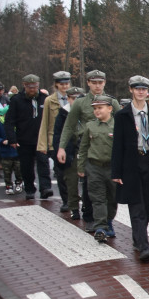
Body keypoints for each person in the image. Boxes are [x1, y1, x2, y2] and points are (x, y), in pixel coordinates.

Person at [112, 75, 149, 263]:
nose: (141, 92)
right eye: (137, 88)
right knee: (136, 206)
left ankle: (138, 238)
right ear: (131, 90)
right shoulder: (122, 116)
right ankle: (144, 246)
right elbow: (117, 145)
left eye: (144, 89)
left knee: (148, 206)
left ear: (147, 91)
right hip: (132, 164)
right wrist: (116, 172)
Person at [59, 70, 121, 226]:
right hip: (86, 146)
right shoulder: (80, 102)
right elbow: (69, 125)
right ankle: (90, 217)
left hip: (108, 146)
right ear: (88, 83)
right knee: (89, 184)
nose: (97, 86)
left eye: (100, 82)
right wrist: (61, 147)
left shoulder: (111, 102)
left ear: (105, 83)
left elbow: (122, 122)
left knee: (111, 190)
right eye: (94, 83)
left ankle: (106, 219)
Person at [77, 95, 119, 243]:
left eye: (100, 108)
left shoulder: (117, 126)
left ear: (110, 109)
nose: (97, 111)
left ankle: (109, 221)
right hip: (94, 167)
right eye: (95, 108)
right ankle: (100, 227)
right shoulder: (90, 126)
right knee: (97, 198)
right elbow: (83, 148)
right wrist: (81, 166)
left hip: (112, 168)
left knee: (112, 198)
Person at [5, 74, 53, 200]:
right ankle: (30, 189)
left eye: (35, 86)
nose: (32, 89)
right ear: (24, 85)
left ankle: (45, 188)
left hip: (41, 139)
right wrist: (12, 139)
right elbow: (9, 121)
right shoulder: (16, 100)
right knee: (26, 167)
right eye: (29, 87)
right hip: (24, 139)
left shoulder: (44, 99)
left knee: (43, 163)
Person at [37, 71, 73, 211]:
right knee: (60, 172)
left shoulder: (76, 98)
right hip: (55, 140)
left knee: (73, 173)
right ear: (56, 84)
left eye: (67, 83)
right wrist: (42, 144)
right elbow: (45, 122)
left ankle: (74, 199)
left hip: (72, 140)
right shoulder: (49, 100)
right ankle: (66, 200)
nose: (64, 86)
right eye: (61, 84)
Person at [51, 86, 84, 218]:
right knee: (71, 180)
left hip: (86, 149)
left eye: (78, 98)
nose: (75, 101)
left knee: (89, 181)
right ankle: (74, 207)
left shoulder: (89, 112)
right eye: (73, 98)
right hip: (71, 150)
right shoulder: (63, 113)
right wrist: (60, 149)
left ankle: (87, 206)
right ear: (68, 99)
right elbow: (57, 134)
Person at [0, 107, 21, 194]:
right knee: (7, 172)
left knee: (19, 170)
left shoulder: (18, 124)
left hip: (17, 152)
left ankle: (19, 183)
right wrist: (2, 141)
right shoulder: (0, 126)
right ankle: (8, 186)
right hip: (5, 152)